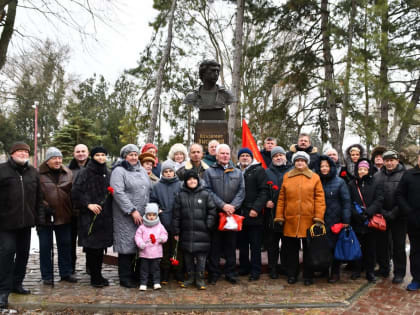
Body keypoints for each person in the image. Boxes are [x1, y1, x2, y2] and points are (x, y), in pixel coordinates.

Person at [274, 151, 326, 286]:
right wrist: (279, 217)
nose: (300, 163)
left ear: (306, 162)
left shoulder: (314, 177)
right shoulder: (287, 177)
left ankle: (308, 275)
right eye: (297, 160)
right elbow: (281, 199)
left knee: (309, 250)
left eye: (302, 160)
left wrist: (318, 218)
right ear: (294, 162)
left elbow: (319, 199)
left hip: (309, 220)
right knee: (291, 250)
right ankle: (292, 274)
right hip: (290, 220)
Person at [0, 142, 41, 308]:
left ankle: (17, 283)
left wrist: (40, 218)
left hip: (26, 223)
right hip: (5, 223)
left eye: (26, 151)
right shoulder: (2, 170)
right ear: (12, 153)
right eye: (19, 151)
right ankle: (3, 291)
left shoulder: (33, 172)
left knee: (23, 255)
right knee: (7, 254)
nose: (23, 154)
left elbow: (39, 198)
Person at [71, 146, 113, 288]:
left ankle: (98, 274)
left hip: (104, 216)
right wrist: (88, 204)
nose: (101, 157)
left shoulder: (108, 172)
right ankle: (94, 277)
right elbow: (76, 192)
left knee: (100, 248)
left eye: (103, 155)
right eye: (97, 155)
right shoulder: (85, 172)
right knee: (92, 248)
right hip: (89, 216)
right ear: (93, 157)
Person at [111, 144, 152, 288]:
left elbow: (148, 188)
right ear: (124, 156)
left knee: (139, 244)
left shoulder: (141, 170)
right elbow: (117, 192)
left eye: (135, 154)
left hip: (143, 214)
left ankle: (136, 275)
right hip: (126, 215)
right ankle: (125, 277)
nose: (134, 157)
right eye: (130, 155)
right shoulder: (119, 171)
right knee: (126, 245)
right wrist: (132, 210)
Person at [204, 144, 245, 285]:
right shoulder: (209, 172)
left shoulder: (237, 172)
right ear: (217, 155)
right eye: (222, 153)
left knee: (231, 245)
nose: (225, 156)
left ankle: (231, 273)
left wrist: (232, 206)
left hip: (232, 215)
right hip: (216, 213)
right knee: (215, 246)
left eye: (227, 153)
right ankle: (214, 273)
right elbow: (208, 191)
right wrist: (222, 205)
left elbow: (241, 191)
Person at [37, 147, 76, 285]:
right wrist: (44, 206)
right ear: (47, 160)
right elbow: (34, 195)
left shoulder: (68, 173)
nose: (58, 160)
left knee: (65, 246)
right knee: (45, 247)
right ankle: (47, 275)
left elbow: (73, 194)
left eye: (59, 158)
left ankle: (65, 273)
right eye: (54, 158)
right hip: (45, 218)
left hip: (64, 216)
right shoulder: (38, 174)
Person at [172, 170, 217, 290]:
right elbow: (176, 215)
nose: (192, 181)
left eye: (194, 179)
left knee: (201, 258)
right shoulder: (180, 195)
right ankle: (190, 277)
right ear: (186, 182)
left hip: (202, 233)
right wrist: (176, 231)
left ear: (198, 180)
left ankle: (200, 279)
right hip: (186, 232)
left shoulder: (205, 194)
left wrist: (208, 224)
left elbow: (212, 211)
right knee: (188, 257)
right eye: (189, 179)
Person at [315, 155, 351, 283]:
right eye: (322, 166)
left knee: (335, 247)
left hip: (336, 220)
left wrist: (346, 220)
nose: (324, 169)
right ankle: (324, 269)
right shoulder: (316, 180)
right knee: (323, 246)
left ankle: (335, 272)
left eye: (327, 166)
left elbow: (346, 201)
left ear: (331, 167)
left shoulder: (339, 182)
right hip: (320, 219)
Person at [348, 158, 384, 283]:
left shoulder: (375, 182)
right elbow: (349, 201)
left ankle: (370, 272)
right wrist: (357, 214)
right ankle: (357, 270)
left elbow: (379, 199)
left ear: (369, 170)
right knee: (357, 246)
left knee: (370, 248)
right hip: (357, 220)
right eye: (360, 169)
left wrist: (368, 212)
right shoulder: (352, 184)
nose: (362, 171)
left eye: (364, 169)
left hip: (370, 220)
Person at [373, 150, 406, 283]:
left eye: (392, 160)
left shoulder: (405, 175)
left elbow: (406, 196)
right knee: (382, 244)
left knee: (399, 245)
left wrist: (395, 212)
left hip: (399, 216)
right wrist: (382, 212)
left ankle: (399, 272)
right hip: (382, 215)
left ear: (397, 161)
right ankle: (384, 268)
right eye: (387, 160)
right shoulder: (377, 176)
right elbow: (374, 196)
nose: (389, 163)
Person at [237, 148, 268, 281]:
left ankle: (256, 270)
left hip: (254, 214)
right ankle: (244, 267)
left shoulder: (259, 170)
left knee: (255, 245)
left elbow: (264, 191)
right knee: (242, 243)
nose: (244, 158)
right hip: (239, 213)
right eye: (242, 155)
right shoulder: (235, 170)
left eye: (247, 156)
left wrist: (256, 208)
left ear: (251, 157)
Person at [150, 160, 183, 284]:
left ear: (174, 172)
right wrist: (158, 209)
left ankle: (178, 272)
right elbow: (153, 200)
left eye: (170, 171)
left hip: (177, 220)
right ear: (162, 173)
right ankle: (165, 273)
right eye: (166, 172)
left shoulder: (180, 185)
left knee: (177, 249)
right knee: (164, 248)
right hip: (163, 220)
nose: (168, 174)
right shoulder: (157, 186)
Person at [265, 146, 292, 279]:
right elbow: (262, 189)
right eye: (275, 156)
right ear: (272, 158)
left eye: (281, 155)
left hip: (288, 213)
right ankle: (273, 268)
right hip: (272, 214)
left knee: (287, 243)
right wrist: (266, 201)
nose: (278, 157)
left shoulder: (292, 170)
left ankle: (286, 266)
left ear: (285, 156)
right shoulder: (266, 172)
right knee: (272, 243)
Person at [397, 150, 420, 291]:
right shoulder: (409, 175)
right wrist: (409, 212)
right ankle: (417, 278)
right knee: (416, 251)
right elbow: (399, 194)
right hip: (414, 221)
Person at [135, 203, 168, 291]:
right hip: (145, 253)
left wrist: (162, 239)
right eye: (149, 215)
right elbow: (137, 236)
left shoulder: (160, 226)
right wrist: (140, 243)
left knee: (156, 269)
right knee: (144, 269)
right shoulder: (142, 227)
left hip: (156, 253)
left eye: (153, 215)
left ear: (156, 215)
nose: (151, 217)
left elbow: (165, 234)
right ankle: (143, 283)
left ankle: (156, 282)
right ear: (146, 215)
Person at [68, 144, 89, 274]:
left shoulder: (94, 168)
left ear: (88, 153)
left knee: (89, 242)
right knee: (70, 241)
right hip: (72, 212)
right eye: (78, 151)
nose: (80, 154)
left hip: (89, 211)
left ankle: (90, 266)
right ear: (74, 153)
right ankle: (70, 267)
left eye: (83, 151)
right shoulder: (67, 170)